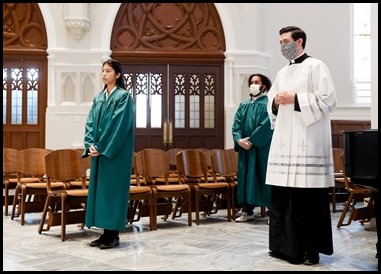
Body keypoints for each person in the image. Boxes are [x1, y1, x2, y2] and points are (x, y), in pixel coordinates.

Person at [265, 26, 337, 265]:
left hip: (307, 142)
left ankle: (307, 250)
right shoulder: (282, 73)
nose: (281, 45)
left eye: (285, 41)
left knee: (305, 201)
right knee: (282, 199)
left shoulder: (316, 66)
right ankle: (284, 248)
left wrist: (296, 98)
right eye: (279, 42)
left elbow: (328, 100)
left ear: (299, 42)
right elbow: (271, 106)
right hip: (285, 143)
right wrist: (275, 102)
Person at [82, 59, 135, 249]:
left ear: (118, 75)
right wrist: (90, 145)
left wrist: (102, 146)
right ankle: (105, 234)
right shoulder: (99, 98)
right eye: (102, 70)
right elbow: (89, 123)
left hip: (115, 154)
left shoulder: (123, 97)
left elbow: (118, 127)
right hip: (99, 153)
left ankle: (113, 235)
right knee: (101, 192)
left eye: (108, 71)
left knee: (113, 192)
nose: (104, 74)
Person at [232, 73, 273, 222]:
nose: (253, 85)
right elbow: (236, 125)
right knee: (245, 178)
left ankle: (272, 212)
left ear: (264, 86)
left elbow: (267, 124)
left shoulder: (269, 104)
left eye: (256, 82)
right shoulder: (243, 105)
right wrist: (239, 140)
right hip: (245, 149)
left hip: (262, 149)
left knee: (264, 176)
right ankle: (247, 211)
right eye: (251, 82)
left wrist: (252, 139)